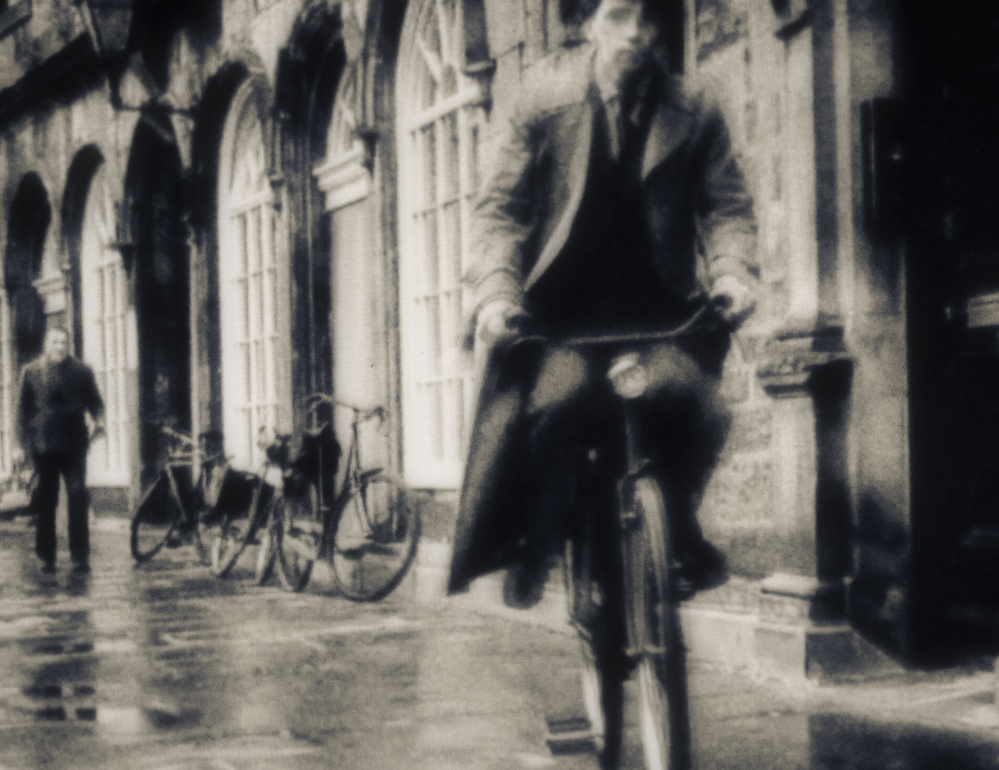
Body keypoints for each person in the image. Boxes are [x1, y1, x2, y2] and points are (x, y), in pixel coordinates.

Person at [447, 0, 758, 608]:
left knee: (704, 410)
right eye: (619, 15)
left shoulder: (695, 108)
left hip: (659, 319)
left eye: (649, 18)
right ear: (588, 22)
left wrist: (731, 272)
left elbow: (727, 207)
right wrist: (497, 295)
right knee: (555, 408)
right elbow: (500, 211)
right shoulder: (542, 99)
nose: (636, 34)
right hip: (562, 322)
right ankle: (543, 536)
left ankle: (676, 528)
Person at [16, 325, 104, 573]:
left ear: (69, 345)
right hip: (43, 446)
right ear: (47, 344)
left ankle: (80, 556)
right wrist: (18, 445)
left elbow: (96, 403)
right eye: (55, 342)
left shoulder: (82, 372)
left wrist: (99, 420)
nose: (59, 347)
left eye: (63, 342)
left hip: (74, 445)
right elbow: (21, 412)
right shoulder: (31, 371)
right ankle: (46, 556)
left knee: (77, 496)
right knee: (47, 500)